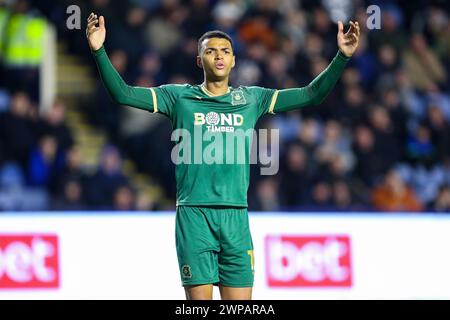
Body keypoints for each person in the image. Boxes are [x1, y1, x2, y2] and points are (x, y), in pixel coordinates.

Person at [86, 12, 360, 300]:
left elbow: (311, 94)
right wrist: (99, 50)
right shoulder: (178, 97)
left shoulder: (253, 98)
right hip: (195, 217)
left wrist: (341, 57)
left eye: (226, 51)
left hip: (236, 218)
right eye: (211, 51)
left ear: (234, 61)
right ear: (199, 60)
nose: (219, 56)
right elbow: (122, 93)